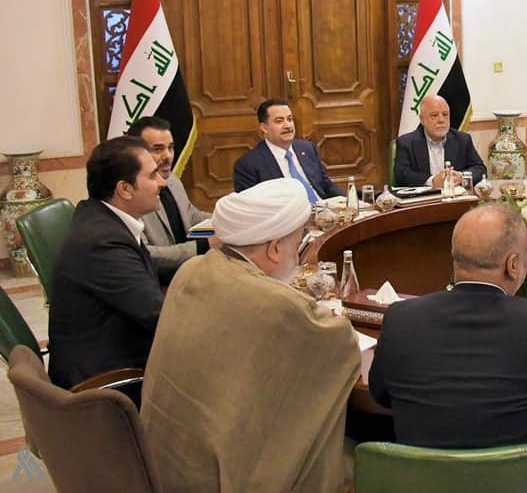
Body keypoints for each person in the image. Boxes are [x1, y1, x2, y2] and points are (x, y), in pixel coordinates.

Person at [141, 178, 362, 492]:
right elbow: (340, 343)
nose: (300, 255)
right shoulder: (275, 304)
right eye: (298, 242)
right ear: (274, 249)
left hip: (159, 466)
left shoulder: (191, 270)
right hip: (217, 479)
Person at [369, 203, 527, 448]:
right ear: (513, 264)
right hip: (522, 473)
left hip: (420, 473)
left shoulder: (400, 319)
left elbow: (380, 393)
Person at [47, 136, 167, 389]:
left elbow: (143, 269)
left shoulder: (100, 218)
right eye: (153, 175)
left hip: (115, 353)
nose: (162, 182)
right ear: (125, 189)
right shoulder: (102, 243)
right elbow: (158, 315)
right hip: (105, 379)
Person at [126, 116, 213, 284]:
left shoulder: (172, 180)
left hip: (188, 273)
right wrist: (203, 246)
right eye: (158, 149)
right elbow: (145, 254)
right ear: (136, 154)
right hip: (159, 283)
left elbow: (192, 216)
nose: (168, 156)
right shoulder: (131, 194)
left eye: (171, 148)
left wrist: (228, 219)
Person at [232, 98, 344, 200]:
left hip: (323, 210)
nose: (288, 125)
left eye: (290, 119)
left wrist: (345, 202)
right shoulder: (248, 165)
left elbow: (325, 184)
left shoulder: (307, 148)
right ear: (264, 128)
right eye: (279, 121)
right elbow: (252, 206)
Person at [393, 94, 487, 187]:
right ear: (422, 120)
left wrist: (461, 177)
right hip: (425, 196)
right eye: (434, 115)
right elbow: (402, 175)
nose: (441, 120)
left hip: (454, 195)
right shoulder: (406, 143)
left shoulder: (462, 139)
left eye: (445, 114)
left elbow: (480, 169)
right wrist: (432, 181)